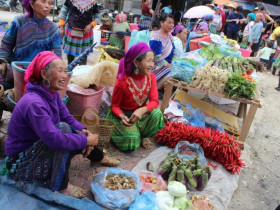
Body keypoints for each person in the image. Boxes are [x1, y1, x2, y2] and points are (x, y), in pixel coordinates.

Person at [0, 51, 119, 199]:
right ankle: (62, 186)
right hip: (19, 162)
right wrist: (86, 140)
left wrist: (84, 131)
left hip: (38, 145)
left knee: (73, 130)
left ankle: (97, 157)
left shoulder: (51, 93)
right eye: (60, 71)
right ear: (44, 74)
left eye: (65, 71)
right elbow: (53, 139)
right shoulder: (33, 103)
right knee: (63, 130)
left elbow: (67, 117)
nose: (65, 76)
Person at [106, 42, 164, 151]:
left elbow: (155, 101)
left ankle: (143, 135)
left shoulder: (151, 77)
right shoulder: (122, 81)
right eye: (148, 61)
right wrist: (122, 116)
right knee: (131, 141)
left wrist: (141, 110)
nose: (152, 65)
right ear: (136, 62)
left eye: (153, 61)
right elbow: (114, 106)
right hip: (124, 116)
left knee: (157, 114)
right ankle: (131, 132)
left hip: (139, 115)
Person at [0, 0, 61, 91]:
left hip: (39, 73)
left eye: (50, 3)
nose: (47, 6)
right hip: (16, 68)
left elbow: (57, 57)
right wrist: (3, 61)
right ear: (32, 4)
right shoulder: (19, 21)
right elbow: (7, 44)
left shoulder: (54, 29)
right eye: (43, 2)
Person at [58, 0, 99, 65]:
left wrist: (90, 25)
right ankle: (69, 72)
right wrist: (61, 28)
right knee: (70, 57)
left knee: (83, 57)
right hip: (71, 32)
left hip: (86, 34)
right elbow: (63, 13)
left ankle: (81, 71)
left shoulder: (93, 3)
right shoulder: (70, 1)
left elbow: (97, 17)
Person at [149, 13, 179, 89]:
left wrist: (175, 62)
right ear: (161, 22)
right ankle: (155, 89)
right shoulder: (156, 37)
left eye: (173, 23)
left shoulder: (170, 35)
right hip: (157, 66)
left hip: (168, 65)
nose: (172, 25)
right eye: (169, 22)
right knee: (172, 72)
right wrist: (169, 66)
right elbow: (156, 57)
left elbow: (174, 50)